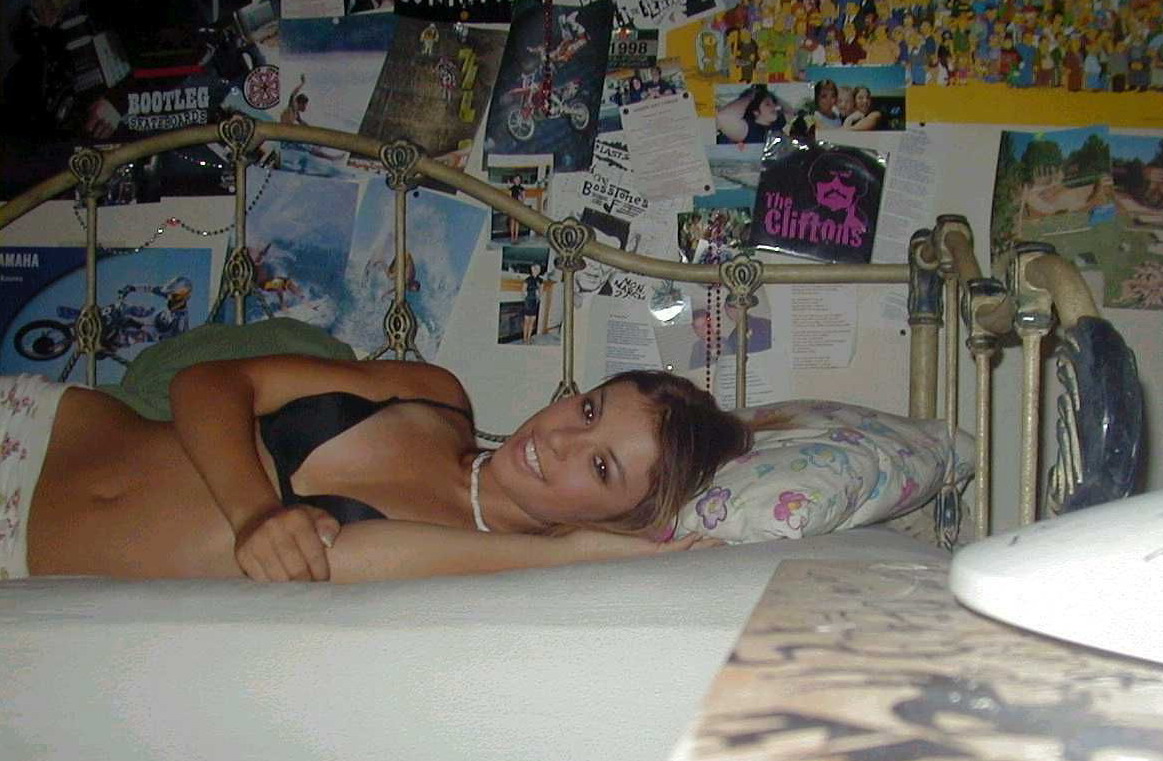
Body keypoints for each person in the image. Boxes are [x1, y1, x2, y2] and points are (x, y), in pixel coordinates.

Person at [7, 357, 751, 583]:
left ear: (619, 518)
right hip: (36, 425)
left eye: (600, 464)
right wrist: (256, 513)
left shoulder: (474, 566)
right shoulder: (433, 395)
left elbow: (340, 561)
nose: (560, 438)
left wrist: (578, 554)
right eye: (589, 410)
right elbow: (206, 383)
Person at [715, 85, 794, 144]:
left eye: (774, 103)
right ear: (756, 112)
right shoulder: (747, 130)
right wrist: (752, 96)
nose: (775, 107)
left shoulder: (776, 122)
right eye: (767, 104)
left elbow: (790, 112)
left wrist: (771, 96)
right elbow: (723, 117)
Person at [521, 262, 545, 343]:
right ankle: (524, 339)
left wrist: (539, 293)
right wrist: (526, 297)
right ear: (532, 269)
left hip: (535, 302)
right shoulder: (527, 280)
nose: (537, 270)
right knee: (526, 321)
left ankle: (529, 338)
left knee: (532, 321)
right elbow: (523, 291)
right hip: (528, 302)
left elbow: (541, 292)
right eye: (536, 268)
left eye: (539, 269)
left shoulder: (541, 280)